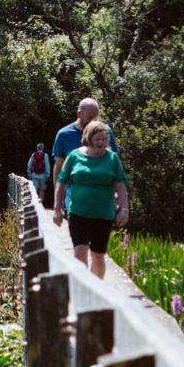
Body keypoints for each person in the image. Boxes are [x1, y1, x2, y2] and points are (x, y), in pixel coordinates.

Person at [53, 118, 129, 278]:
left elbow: (121, 184)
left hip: (103, 213)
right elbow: (62, 182)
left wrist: (124, 208)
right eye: (98, 139)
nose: (102, 143)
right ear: (88, 138)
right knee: (80, 251)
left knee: (98, 255)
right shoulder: (74, 156)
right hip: (79, 212)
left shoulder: (112, 158)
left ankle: (97, 290)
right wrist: (57, 209)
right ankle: (83, 290)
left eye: (104, 139)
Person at [50, 97, 118, 190]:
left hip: (102, 190)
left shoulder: (106, 131)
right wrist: (58, 197)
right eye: (90, 118)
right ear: (79, 114)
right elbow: (59, 166)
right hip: (73, 190)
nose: (93, 122)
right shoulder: (64, 135)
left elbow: (114, 163)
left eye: (95, 118)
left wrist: (117, 190)